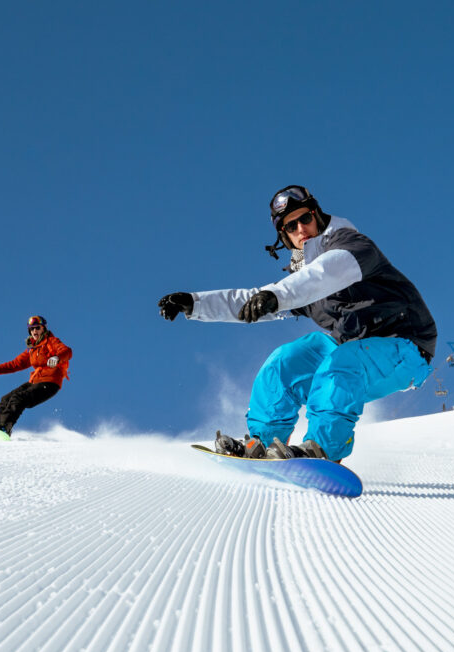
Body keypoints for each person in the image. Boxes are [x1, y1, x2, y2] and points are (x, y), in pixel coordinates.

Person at [158, 185, 437, 462]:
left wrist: (278, 295)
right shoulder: (301, 280)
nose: (301, 229)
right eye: (291, 226)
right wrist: (195, 303)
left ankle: (323, 449)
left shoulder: (352, 245)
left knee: (342, 361)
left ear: (318, 216)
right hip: (353, 349)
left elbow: (325, 272)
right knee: (284, 361)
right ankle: (262, 443)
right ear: (284, 237)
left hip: (406, 347)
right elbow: (248, 301)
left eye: (305, 219)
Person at [0, 315, 72, 435]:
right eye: (32, 329)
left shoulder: (51, 341)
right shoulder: (32, 349)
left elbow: (67, 351)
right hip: (36, 381)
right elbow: (15, 364)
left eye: (37, 328)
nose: (35, 331)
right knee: (6, 398)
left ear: (43, 329)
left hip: (50, 382)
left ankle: (4, 427)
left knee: (18, 398)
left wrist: (57, 358)